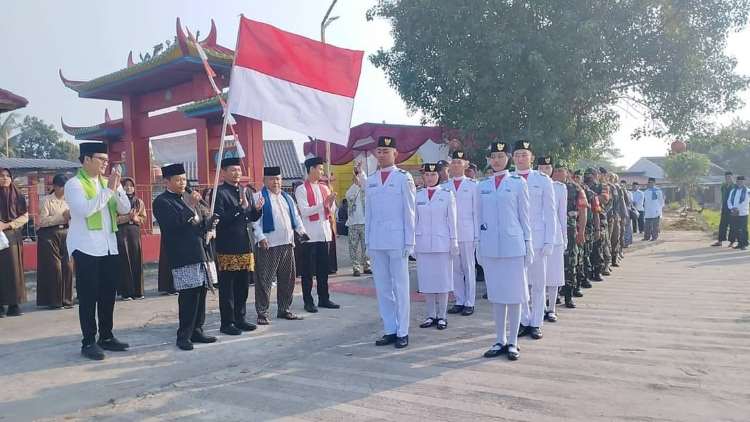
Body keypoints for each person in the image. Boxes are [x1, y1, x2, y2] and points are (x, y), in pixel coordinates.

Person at [65, 142, 131, 360]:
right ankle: (89, 341)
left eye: (106, 159)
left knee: (107, 295)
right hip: (86, 247)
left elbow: (126, 209)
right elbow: (84, 210)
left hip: (109, 246)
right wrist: (108, 190)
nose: (105, 163)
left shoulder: (108, 182)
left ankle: (106, 336)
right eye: (101, 159)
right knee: (88, 296)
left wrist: (117, 189)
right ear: (86, 159)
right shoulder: (74, 184)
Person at [152, 163, 218, 351]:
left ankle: (198, 329)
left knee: (201, 293)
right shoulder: (162, 202)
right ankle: (184, 335)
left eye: (184, 179)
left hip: (200, 253)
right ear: (167, 181)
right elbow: (173, 225)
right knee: (188, 296)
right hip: (182, 255)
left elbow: (198, 225)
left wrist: (210, 223)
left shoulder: (188, 199)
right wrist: (189, 205)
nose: (183, 183)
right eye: (178, 180)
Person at [479, 141, 531, 361]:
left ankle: (513, 342)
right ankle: (499, 339)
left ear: (508, 158)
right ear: (489, 160)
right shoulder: (482, 186)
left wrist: (528, 244)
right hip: (491, 246)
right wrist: (478, 245)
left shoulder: (518, 183)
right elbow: (478, 218)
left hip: (513, 246)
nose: (497, 160)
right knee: (497, 295)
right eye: (493, 156)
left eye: (501, 156)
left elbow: (524, 217)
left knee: (515, 295)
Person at [364, 136, 416, 349]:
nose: (382, 154)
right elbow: (369, 213)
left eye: (387, 151)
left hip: (397, 240)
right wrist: (367, 241)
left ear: (395, 153)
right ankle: (390, 329)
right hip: (377, 240)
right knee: (383, 287)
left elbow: (410, 212)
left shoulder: (404, 178)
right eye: (379, 151)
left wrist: (410, 242)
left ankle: (403, 331)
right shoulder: (372, 180)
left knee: (401, 287)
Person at [214, 157, 263, 335]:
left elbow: (250, 217)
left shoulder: (244, 191)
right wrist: (240, 208)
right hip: (227, 245)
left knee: (243, 285)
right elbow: (219, 220)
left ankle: (240, 318)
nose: (237, 173)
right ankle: (227, 323)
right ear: (224, 172)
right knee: (228, 287)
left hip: (244, 243)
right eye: (233, 170)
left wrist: (256, 210)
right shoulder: (218, 193)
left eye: (239, 170)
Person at [252, 166, 307, 324]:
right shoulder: (258, 197)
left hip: (287, 243)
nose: (275, 182)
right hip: (268, 244)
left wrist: (301, 231)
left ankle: (284, 309)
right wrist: (261, 237)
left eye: (278, 179)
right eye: (272, 179)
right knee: (265, 280)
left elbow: (295, 217)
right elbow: (254, 222)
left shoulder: (287, 197)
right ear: (265, 180)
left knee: (287, 279)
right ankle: (262, 313)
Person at [513, 141, 556, 340]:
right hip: (514, 240)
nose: (521, 158)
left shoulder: (543, 180)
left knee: (538, 284)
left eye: (524, 154)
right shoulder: (508, 179)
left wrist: (550, 241)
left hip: (538, 239)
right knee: (519, 284)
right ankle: (523, 320)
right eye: (517, 155)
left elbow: (550, 212)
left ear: (531, 157)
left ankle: (536, 322)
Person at [416, 163, 458, 330]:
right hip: (423, 243)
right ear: (423, 177)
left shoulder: (447, 194)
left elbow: (451, 220)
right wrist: (412, 243)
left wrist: (454, 240)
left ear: (438, 176)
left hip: (442, 243)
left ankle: (442, 315)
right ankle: (430, 315)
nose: (430, 178)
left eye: (433, 175)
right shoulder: (417, 195)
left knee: (442, 281)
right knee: (427, 281)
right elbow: (414, 221)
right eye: (427, 175)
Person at [295, 156, 340, 313]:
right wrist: (324, 203)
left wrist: (331, 202)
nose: (321, 171)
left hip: (324, 233)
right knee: (308, 271)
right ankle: (308, 301)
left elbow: (332, 211)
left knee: (323, 270)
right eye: (319, 169)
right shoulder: (301, 189)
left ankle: (324, 298)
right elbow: (305, 211)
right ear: (311, 169)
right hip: (310, 234)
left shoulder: (325, 188)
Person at [444, 150, 480, 316]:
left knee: (469, 268)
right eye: (453, 162)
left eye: (459, 162)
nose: (456, 165)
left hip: (467, 232)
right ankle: (459, 299)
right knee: (455, 268)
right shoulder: (445, 187)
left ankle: (470, 301)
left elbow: (476, 212)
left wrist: (477, 236)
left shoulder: (473, 186)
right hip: (451, 234)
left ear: (465, 164)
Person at [36, 173, 74, 309]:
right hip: (49, 235)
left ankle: (67, 299)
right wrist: (61, 217)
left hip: (67, 233)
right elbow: (42, 221)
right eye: (61, 187)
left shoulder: (70, 200)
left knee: (68, 266)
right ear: (55, 187)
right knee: (55, 268)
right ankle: (55, 300)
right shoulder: (46, 200)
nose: (64, 190)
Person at [537, 157, 565, 322]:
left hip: (555, 236)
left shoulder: (560, 188)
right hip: (538, 236)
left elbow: (561, 215)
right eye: (542, 167)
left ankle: (552, 308)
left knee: (554, 275)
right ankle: (538, 309)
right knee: (536, 277)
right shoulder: (529, 185)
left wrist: (565, 237)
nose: (545, 171)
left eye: (548, 168)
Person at [0, 167, 29, 317]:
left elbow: (25, 217)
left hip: (12, 235)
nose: (4, 178)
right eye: (1, 175)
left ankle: (14, 304)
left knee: (13, 271)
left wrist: (7, 225)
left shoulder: (18, 196)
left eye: (7, 176)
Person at [116, 178, 146, 300]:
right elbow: (114, 219)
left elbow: (143, 218)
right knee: (124, 261)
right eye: (125, 186)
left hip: (134, 232)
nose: (128, 188)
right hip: (122, 232)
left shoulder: (139, 202)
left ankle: (138, 291)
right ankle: (126, 292)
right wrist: (128, 217)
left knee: (136, 259)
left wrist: (135, 219)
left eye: (131, 186)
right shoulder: (116, 202)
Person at [345, 162, 371, 276]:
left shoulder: (366, 191)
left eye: (359, 176)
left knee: (366, 247)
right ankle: (356, 267)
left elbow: (366, 182)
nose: (358, 178)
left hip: (365, 223)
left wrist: (361, 171)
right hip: (353, 224)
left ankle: (367, 266)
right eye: (356, 176)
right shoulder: (351, 190)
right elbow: (349, 197)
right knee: (353, 247)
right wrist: (356, 185)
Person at [713, 172, 736, 247]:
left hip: (732, 208)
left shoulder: (735, 186)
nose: (727, 178)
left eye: (729, 177)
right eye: (726, 177)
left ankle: (732, 242)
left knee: (732, 225)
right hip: (724, 208)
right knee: (722, 224)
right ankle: (720, 241)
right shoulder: (723, 186)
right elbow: (723, 197)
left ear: (732, 177)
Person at [727, 176, 749, 250]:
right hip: (734, 213)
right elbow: (729, 200)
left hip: (743, 213)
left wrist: (737, 209)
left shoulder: (747, 191)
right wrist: (732, 208)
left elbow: (746, 201)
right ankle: (739, 243)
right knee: (736, 228)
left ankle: (744, 244)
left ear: (744, 182)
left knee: (742, 229)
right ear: (737, 182)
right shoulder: (733, 190)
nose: (740, 183)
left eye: (741, 181)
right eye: (738, 181)